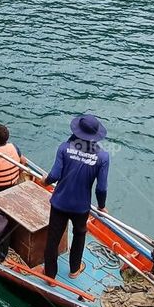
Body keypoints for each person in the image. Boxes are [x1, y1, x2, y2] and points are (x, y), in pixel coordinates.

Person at [41, 113, 110, 282]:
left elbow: (55, 175)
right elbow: (101, 188)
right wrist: (101, 206)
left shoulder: (64, 148)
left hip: (59, 203)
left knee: (53, 238)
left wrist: (45, 181)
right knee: (79, 235)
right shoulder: (103, 157)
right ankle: (74, 270)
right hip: (81, 206)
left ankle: (50, 275)